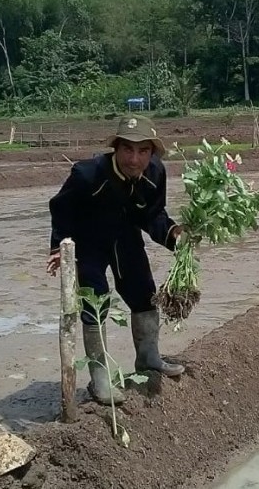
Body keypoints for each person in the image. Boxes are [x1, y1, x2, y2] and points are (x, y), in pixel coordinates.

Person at [46, 115, 185, 404]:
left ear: (152, 153)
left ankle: (148, 359)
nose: (134, 159)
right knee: (95, 303)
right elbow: (61, 208)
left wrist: (175, 236)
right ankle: (99, 380)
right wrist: (59, 245)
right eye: (128, 150)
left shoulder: (156, 173)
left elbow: (153, 215)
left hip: (126, 238)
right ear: (116, 149)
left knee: (145, 295)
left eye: (143, 151)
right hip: (89, 243)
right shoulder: (88, 174)